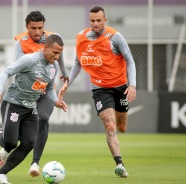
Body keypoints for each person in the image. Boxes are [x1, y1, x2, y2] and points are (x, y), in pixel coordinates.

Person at [58, 6, 136, 178]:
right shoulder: (81, 38)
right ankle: (120, 164)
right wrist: (67, 84)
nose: (95, 23)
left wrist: (132, 85)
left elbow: (130, 60)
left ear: (105, 20)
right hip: (100, 89)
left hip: (121, 87)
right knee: (110, 126)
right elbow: (78, 63)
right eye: (92, 20)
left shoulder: (115, 37)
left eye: (99, 20)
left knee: (122, 127)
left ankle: (117, 116)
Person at [0, 10, 69, 177]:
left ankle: (35, 162)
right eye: (33, 28)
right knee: (13, 140)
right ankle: (4, 139)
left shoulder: (52, 41)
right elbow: (17, 69)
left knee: (42, 119)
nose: (37, 32)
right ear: (27, 27)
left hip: (44, 92)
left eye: (40, 28)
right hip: (24, 92)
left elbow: (58, 59)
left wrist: (64, 74)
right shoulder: (21, 44)